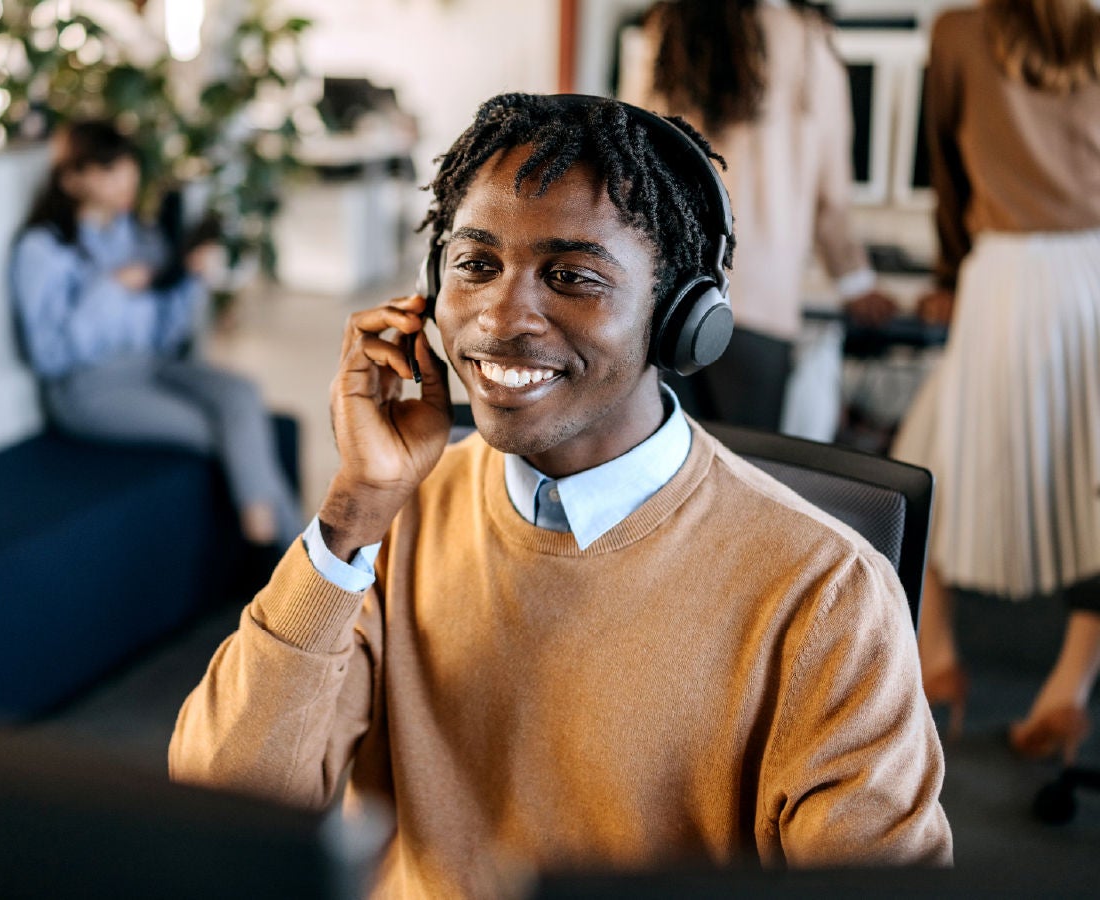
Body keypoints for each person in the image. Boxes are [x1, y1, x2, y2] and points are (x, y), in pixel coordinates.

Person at [169, 94, 951, 896]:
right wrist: (353, 514)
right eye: (475, 265)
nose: (503, 318)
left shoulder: (827, 594)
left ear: (683, 317)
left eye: (573, 276)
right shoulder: (394, 519)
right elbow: (221, 813)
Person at [892, 0, 1100, 763]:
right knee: (1094, 488)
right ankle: (1066, 688)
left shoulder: (957, 33)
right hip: (1095, 276)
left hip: (1005, 275)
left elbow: (946, 171)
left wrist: (948, 272)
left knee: (922, 470)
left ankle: (936, 654)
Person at [12, 120, 300, 545]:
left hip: (152, 366)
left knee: (242, 394)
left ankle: (284, 553)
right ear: (72, 179)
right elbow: (48, 355)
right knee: (227, 432)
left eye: (128, 166)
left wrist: (190, 280)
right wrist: (111, 288)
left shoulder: (141, 237)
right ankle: (304, 569)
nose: (127, 178)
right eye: (109, 170)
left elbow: (168, 337)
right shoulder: (43, 250)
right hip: (87, 390)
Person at [619, 0, 898, 437]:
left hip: (664, 296)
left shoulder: (666, 27)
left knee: (663, 471)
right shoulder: (808, 40)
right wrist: (856, 282)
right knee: (740, 476)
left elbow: (628, 168)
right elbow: (832, 198)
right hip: (760, 305)